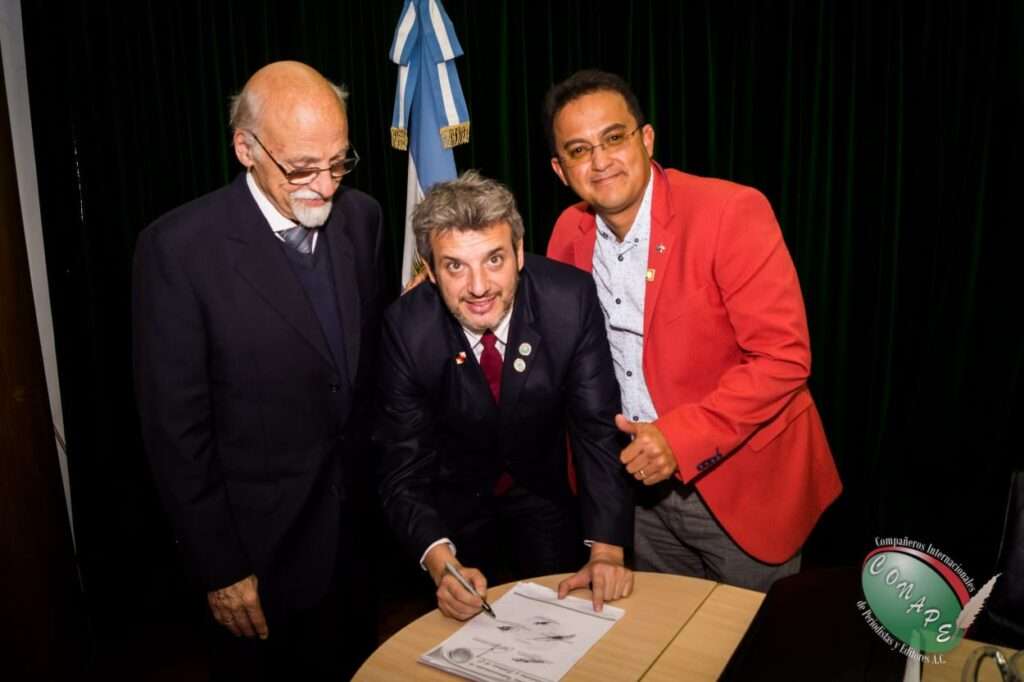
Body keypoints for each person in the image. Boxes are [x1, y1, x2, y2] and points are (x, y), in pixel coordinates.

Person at [544, 70, 842, 592]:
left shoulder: (730, 212)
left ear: (646, 139)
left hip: (742, 487)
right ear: (560, 169)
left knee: (750, 636)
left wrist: (678, 441)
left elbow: (783, 358)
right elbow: (554, 342)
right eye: (579, 150)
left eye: (614, 138)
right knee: (668, 634)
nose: (600, 160)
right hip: (635, 491)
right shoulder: (570, 231)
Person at [132, 61, 381, 678]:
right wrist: (220, 567)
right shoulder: (178, 250)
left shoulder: (363, 218)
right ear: (246, 148)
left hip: (356, 542)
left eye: (339, 163)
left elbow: (355, 372)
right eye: (301, 168)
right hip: (259, 557)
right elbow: (176, 432)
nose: (324, 186)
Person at [375, 171, 634, 620]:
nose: (479, 287)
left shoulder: (568, 300)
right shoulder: (406, 329)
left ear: (518, 252)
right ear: (430, 271)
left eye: (494, 259)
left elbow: (596, 430)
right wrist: (441, 563)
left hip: (543, 492)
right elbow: (402, 467)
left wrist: (607, 549)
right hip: (452, 503)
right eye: (455, 266)